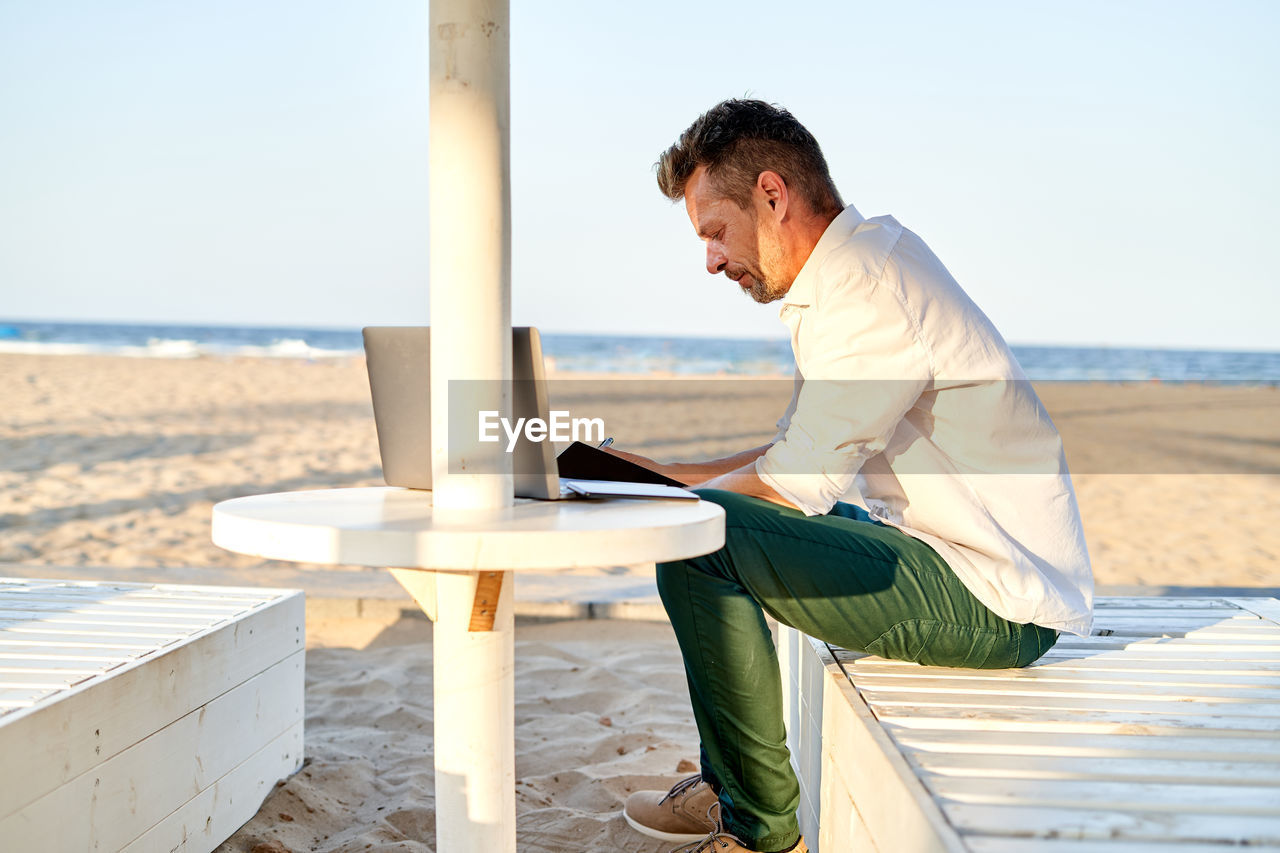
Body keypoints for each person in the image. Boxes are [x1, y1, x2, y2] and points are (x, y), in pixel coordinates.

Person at [613, 99, 1094, 853]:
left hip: (1000, 597)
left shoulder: (870, 292)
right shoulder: (856, 270)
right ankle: (728, 785)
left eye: (714, 231)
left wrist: (666, 498)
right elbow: (792, 461)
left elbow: (789, 488)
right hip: (942, 550)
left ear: (772, 195)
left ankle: (757, 828)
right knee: (708, 515)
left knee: (699, 540)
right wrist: (661, 474)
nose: (711, 259)